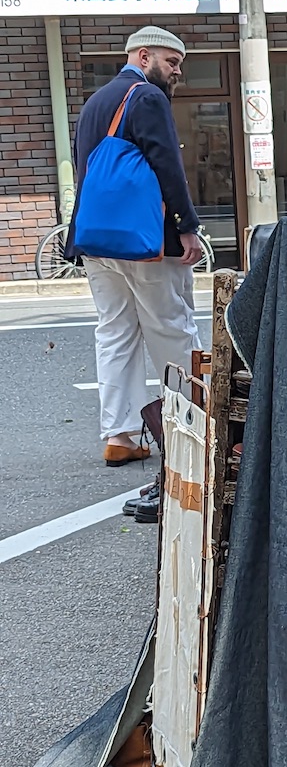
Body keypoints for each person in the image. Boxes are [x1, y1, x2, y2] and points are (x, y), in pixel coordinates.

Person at [65, 25, 204, 465]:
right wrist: (186, 226)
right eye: (172, 62)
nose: (177, 72)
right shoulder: (147, 97)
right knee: (171, 327)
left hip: (97, 240)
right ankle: (191, 428)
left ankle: (119, 436)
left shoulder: (95, 102)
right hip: (146, 241)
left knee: (115, 333)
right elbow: (167, 164)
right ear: (143, 57)